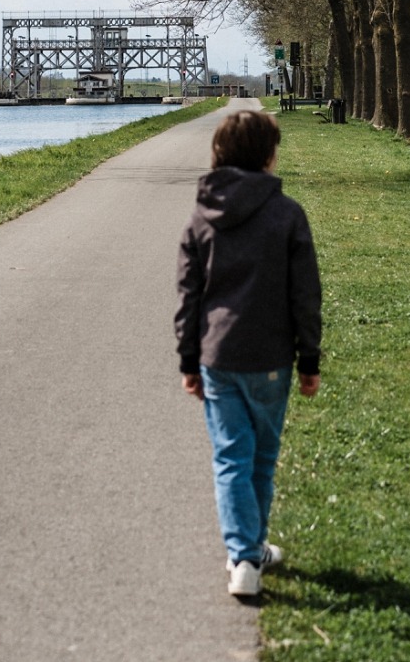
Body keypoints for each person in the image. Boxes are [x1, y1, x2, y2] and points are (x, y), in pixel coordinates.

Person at [175, 108, 323, 598]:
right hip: (272, 358)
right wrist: (309, 361)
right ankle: (249, 551)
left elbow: (189, 298)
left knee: (230, 458)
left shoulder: (201, 217)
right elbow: (305, 296)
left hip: (218, 357)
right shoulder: (288, 214)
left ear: (219, 153)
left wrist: (187, 361)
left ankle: (244, 555)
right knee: (261, 458)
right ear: (267, 155)